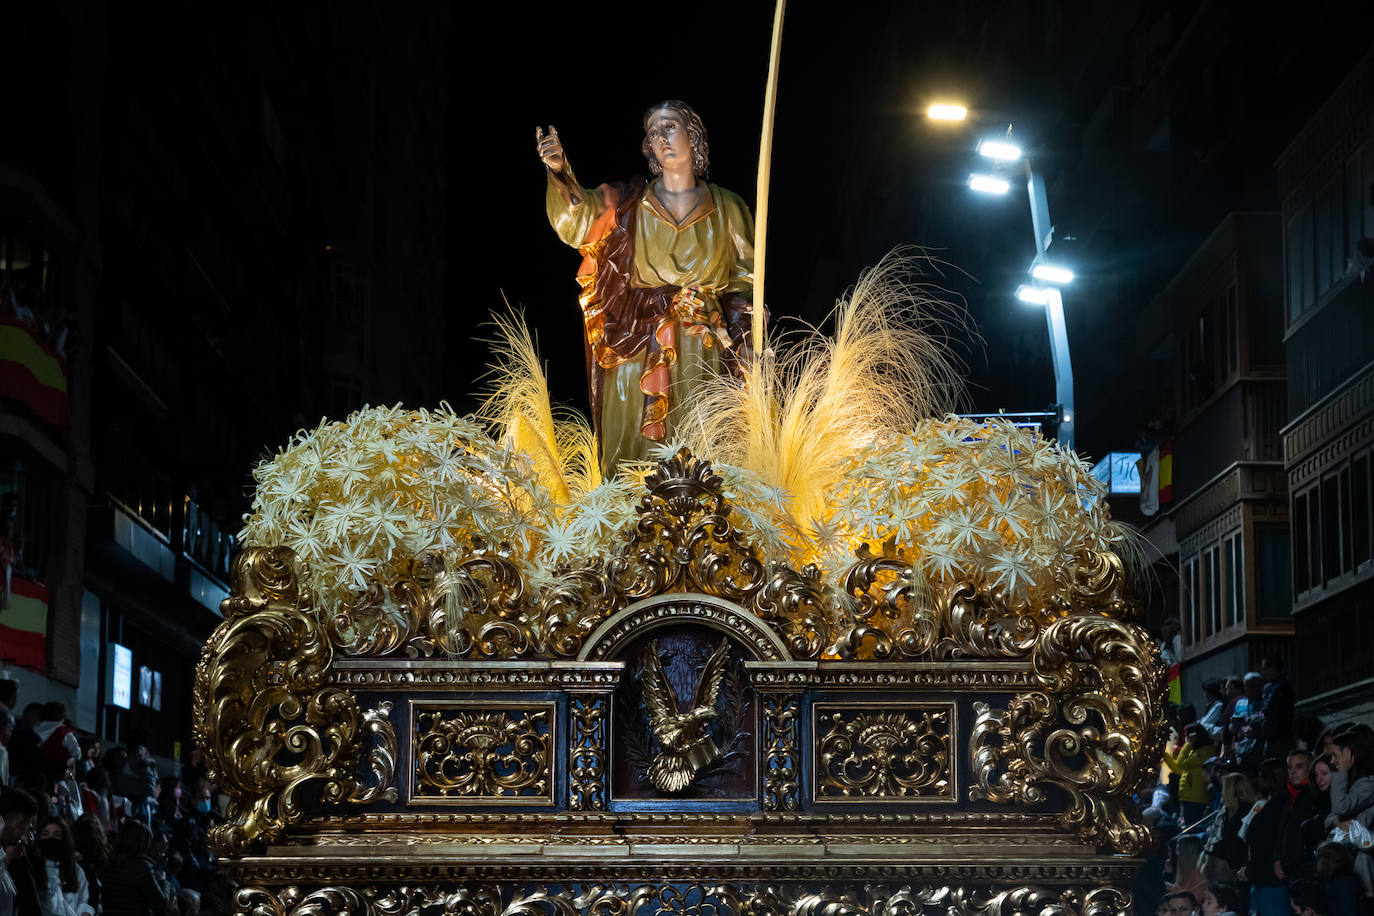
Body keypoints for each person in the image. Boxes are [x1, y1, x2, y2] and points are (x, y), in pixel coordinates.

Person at [538, 101, 761, 474]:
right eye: (653, 133)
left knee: (701, 456)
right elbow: (579, 220)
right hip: (637, 343)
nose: (661, 138)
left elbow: (746, 285)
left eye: (670, 127)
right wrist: (561, 174)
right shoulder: (629, 204)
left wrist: (750, 341)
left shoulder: (728, 207)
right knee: (632, 462)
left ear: (693, 136)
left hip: (701, 349)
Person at [100, 820, 173, 916]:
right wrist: (163, 881)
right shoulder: (142, 867)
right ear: (144, 843)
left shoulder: (109, 862)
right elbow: (162, 905)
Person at [28, 816, 92, 916]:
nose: (50, 838)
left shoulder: (75, 869)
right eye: (45, 834)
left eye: (56, 834)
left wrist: (85, 911)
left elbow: (82, 901)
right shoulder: (31, 868)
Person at [1165, 723, 1217, 827]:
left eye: (1189, 736)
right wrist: (1165, 756)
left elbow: (1181, 763)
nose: (1187, 739)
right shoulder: (1193, 752)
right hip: (1188, 797)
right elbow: (1179, 770)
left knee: (1193, 828)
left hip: (1197, 798)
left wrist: (1188, 744)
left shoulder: (1206, 752)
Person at [1259, 656, 1295, 758]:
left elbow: (1276, 713)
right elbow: (1263, 710)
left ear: (1273, 668)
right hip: (1270, 736)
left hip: (1280, 737)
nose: (1262, 672)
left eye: (1264, 669)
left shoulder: (1282, 687)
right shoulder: (1269, 688)